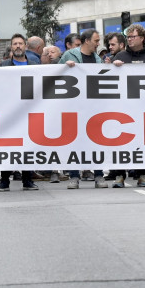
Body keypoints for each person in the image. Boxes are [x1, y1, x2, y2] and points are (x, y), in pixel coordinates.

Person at [110, 24, 145, 188]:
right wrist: (113, 66)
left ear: (142, 38)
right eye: (128, 37)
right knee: (120, 142)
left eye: (133, 37)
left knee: (144, 142)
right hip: (124, 107)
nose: (130, 40)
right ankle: (119, 175)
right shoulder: (121, 55)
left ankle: (142, 175)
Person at [60, 29, 107, 189]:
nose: (98, 44)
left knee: (97, 141)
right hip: (73, 107)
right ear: (87, 41)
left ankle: (99, 174)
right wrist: (64, 67)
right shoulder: (69, 55)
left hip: (93, 107)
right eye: (96, 41)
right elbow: (55, 74)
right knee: (74, 141)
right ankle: (74, 176)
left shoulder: (97, 59)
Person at [0, 34, 39, 192]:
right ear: (11, 47)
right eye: (15, 44)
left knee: (27, 146)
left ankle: (27, 180)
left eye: (21, 43)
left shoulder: (35, 64)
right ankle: (4, 180)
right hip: (9, 113)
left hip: (29, 111)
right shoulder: (3, 66)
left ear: (26, 46)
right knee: (8, 147)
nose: (18, 46)